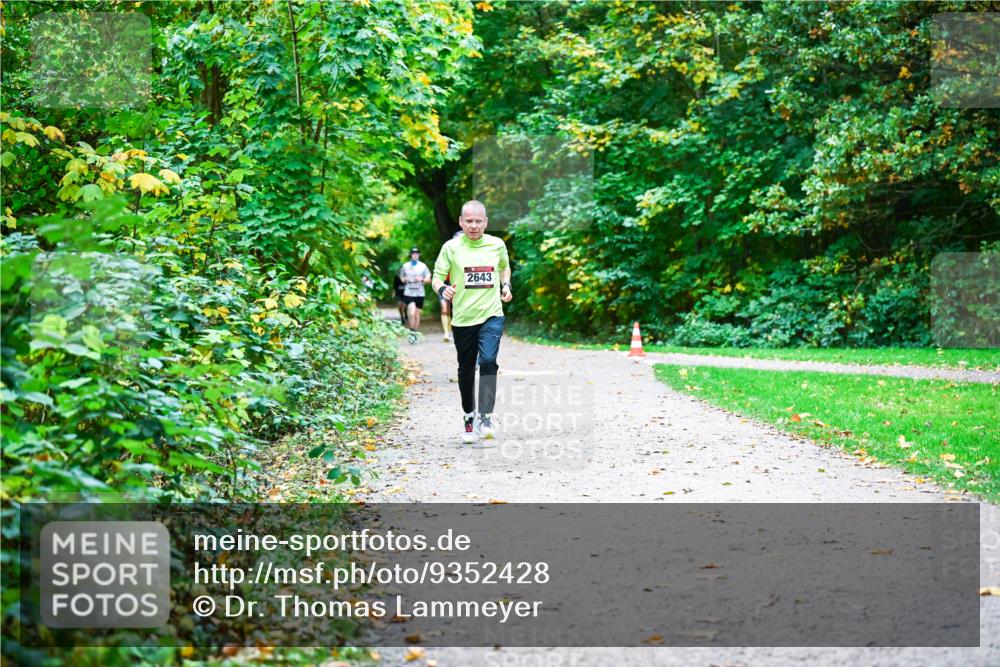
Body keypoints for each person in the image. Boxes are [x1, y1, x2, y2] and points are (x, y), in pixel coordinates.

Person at [432, 201, 512, 444]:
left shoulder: (496, 244)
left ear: (485, 222)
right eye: (469, 221)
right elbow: (436, 277)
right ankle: (469, 416)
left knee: (488, 361)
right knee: (466, 371)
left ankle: (485, 418)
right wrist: (442, 289)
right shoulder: (451, 247)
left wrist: (506, 285)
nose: (474, 225)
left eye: (478, 221)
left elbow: (504, 268)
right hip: (463, 319)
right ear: (461, 222)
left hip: (491, 315)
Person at [438, 230, 464, 342]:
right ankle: (446, 333)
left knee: (457, 309)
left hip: (459, 284)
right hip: (445, 284)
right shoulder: (446, 252)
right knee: (444, 309)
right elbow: (438, 272)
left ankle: (454, 330)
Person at [399, 247, 431, 332]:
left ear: (419, 255)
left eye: (417, 254)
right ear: (411, 255)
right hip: (409, 291)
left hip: (420, 292)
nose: (415, 255)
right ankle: (412, 330)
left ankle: (415, 331)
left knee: (417, 314)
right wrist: (404, 279)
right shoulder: (405, 266)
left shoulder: (423, 266)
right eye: (413, 254)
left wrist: (422, 280)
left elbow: (429, 279)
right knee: (411, 312)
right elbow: (401, 276)